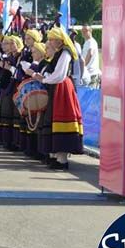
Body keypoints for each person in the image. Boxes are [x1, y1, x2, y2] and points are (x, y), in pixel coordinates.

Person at [29, 27, 84, 169]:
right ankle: (55, 156)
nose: (50, 42)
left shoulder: (65, 52)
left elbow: (60, 74)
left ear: (60, 40)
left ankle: (62, 159)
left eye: (52, 39)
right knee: (53, 119)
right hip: (57, 87)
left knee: (61, 119)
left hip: (62, 88)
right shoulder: (60, 52)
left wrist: (45, 80)